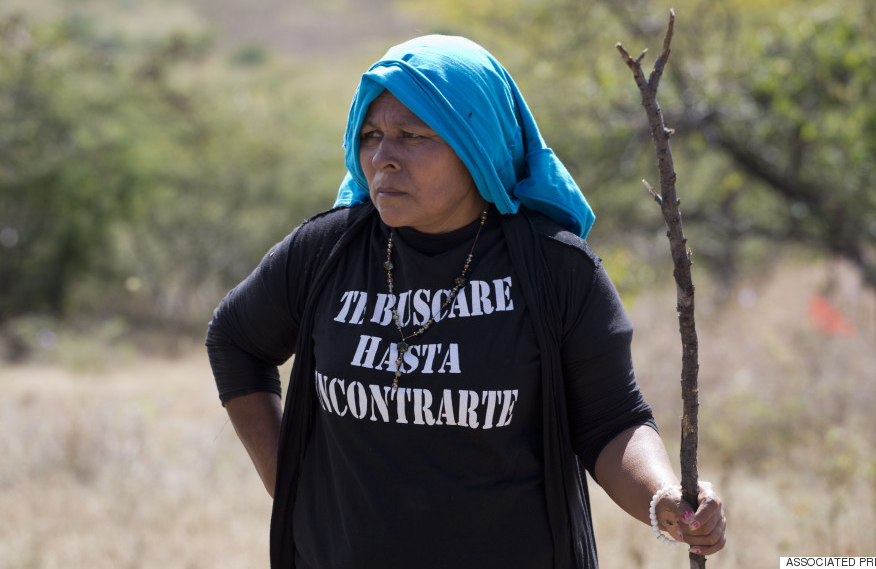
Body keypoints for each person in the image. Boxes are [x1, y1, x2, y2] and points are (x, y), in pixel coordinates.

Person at [206, 34, 726, 569]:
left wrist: (662, 497)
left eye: (410, 136)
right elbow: (234, 339)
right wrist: (289, 484)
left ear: (474, 143)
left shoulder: (553, 269)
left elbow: (611, 421)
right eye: (371, 135)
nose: (383, 158)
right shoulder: (324, 251)